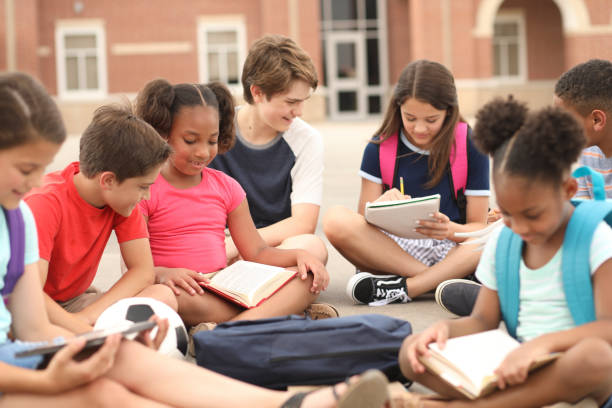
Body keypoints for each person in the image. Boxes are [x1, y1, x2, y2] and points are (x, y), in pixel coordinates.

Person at [0, 71, 391, 408]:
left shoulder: (18, 219)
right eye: (25, 168)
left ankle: (294, 401)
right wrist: (53, 375)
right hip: (27, 356)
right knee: (108, 390)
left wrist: (92, 337)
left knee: (122, 362)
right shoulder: (40, 205)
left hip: (49, 328)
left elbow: (34, 325)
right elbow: (33, 325)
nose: (35, 180)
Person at [398, 97, 612, 408]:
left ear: (567, 191)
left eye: (533, 214)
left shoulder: (596, 238)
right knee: (411, 353)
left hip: (578, 374)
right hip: (520, 369)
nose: (520, 226)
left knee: (597, 357)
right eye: (508, 214)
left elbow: (607, 328)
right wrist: (442, 330)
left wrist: (539, 347)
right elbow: (483, 319)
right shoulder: (505, 241)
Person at [135, 78, 333, 328]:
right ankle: (261, 321)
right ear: (163, 133)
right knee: (158, 296)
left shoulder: (227, 188)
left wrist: (301, 255)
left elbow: (258, 252)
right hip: (180, 293)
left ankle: (226, 330)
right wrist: (164, 273)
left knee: (307, 280)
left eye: (212, 140)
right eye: (190, 140)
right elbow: (134, 270)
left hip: (224, 290)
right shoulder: (144, 189)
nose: (203, 152)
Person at [437, 58, 612, 317]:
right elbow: (580, 209)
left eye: (563, 119)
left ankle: (513, 301)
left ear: (597, 120)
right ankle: (512, 295)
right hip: (589, 252)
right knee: (511, 232)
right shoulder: (587, 153)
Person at [323, 60, 490, 305]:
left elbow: (479, 225)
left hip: (455, 249)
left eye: (431, 120)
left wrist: (451, 230)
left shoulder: (470, 144)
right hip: (396, 252)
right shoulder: (379, 148)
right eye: (410, 118)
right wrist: (380, 205)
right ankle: (440, 283)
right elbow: (362, 222)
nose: (419, 128)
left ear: (449, 111)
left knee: (500, 233)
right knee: (335, 219)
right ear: (397, 107)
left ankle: (405, 287)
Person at [24, 103, 177, 335]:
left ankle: (89, 338)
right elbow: (29, 294)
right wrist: (82, 329)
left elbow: (142, 271)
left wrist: (86, 318)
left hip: (75, 303)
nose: (146, 196)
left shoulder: (122, 200)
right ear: (108, 180)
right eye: (143, 187)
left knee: (163, 296)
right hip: (25, 304)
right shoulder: (44, 204)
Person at [209, 34, 328, 266]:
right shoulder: (214, 130)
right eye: (291, 102)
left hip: (273, 247)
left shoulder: (307, 140)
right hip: (219, 245)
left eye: (303, 101)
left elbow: (303, 224)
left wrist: (243, 244)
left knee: (312, 248)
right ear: (257, 92)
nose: (299, 111)